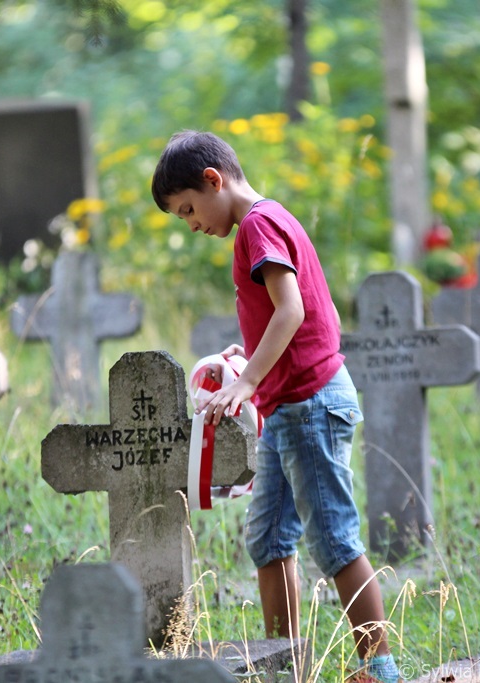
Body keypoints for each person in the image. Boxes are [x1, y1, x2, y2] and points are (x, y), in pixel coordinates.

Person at [152, 130, 402, 683]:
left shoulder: (258, 225)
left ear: (214, 180)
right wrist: (253, 360)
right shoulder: (272, 218)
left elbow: (290, 311)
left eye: (189, 209)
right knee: (267, 538)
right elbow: (314, 309)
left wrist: (248, 384)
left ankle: (381, 669)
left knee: (335, 540)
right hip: (292, 407)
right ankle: (284, 666)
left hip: (310, 404)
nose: (192, 224)